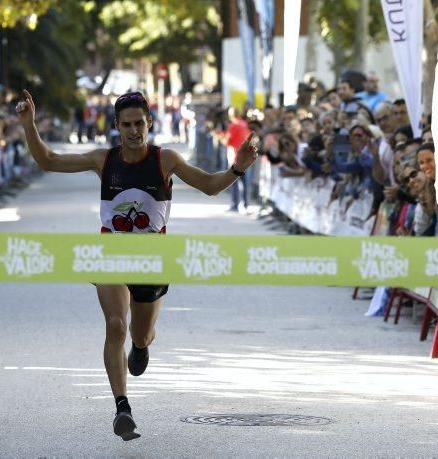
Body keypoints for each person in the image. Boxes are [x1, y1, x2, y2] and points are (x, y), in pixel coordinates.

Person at [16, 90, 258, 441]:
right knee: (115, 325)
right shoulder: (104, 160)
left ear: (149, 124)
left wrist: (237, 168)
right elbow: (49, 160)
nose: (133, 131)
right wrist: (29, 125)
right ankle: (122, 407)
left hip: (152, 260)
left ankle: (141, 346)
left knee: (140, 334)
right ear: (116, 127)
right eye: (126, 124)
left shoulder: (165, 160)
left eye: (139, 124)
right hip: (111, 253)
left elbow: (208, 186)